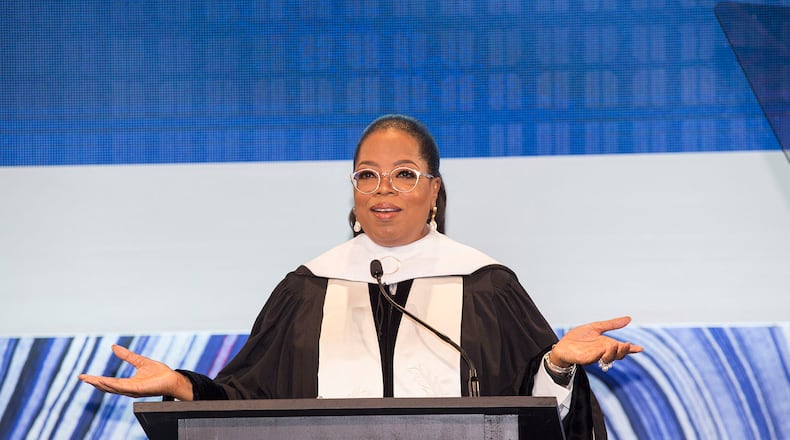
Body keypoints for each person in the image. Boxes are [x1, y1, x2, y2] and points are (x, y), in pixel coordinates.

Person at [79, 114, 642, 439]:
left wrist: (558, 364)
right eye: (367, 175)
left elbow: (533, 415)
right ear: (353, 191)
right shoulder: (306, 290)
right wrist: (182, 386)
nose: (383, 189)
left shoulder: (488, 287)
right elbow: (245, 403)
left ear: (434, 190)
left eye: (403, 174)